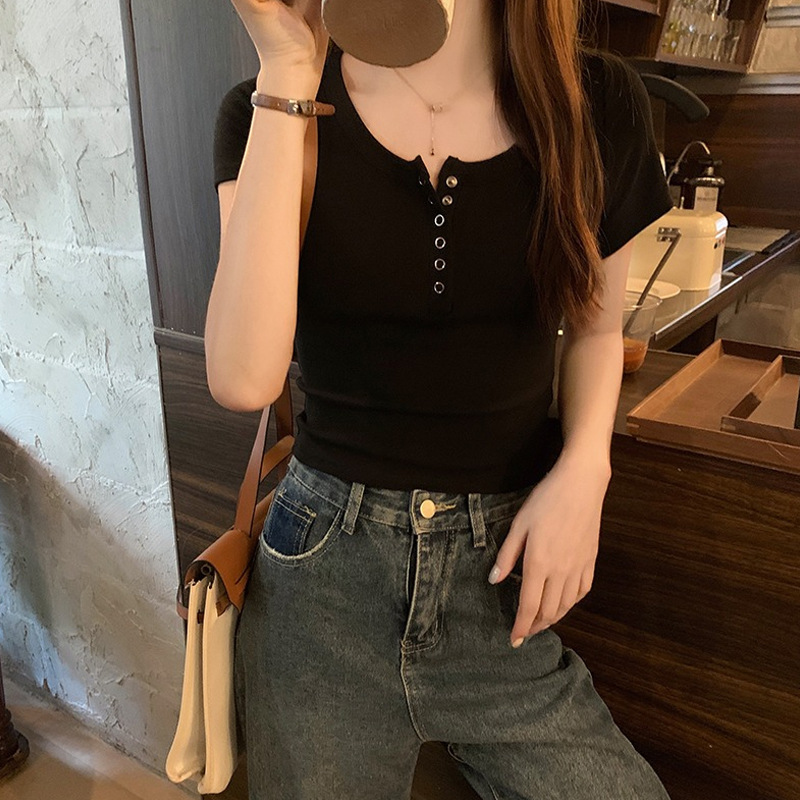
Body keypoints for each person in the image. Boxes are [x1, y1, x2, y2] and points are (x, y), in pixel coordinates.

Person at [206, 0, 674, 798]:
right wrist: (286, 69)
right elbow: (243, 378)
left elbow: (596, 333)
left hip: (501, 581)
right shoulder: (270, 105)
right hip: (323, 579)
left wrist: (584, 471)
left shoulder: (594, 102)